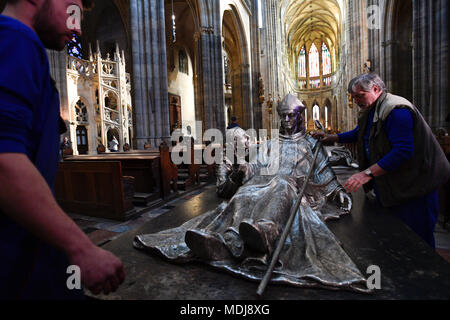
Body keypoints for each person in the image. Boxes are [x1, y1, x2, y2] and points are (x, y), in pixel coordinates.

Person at [134, 94, 370, 292]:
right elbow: (256, 167)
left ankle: (264, 231)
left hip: (292, 191)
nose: (286, 120)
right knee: (244, 195)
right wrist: (245, 170)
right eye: (283, 116)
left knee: (282, 185)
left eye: (291, 116)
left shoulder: (311, 145)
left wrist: (337, 190)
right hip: (260, 187)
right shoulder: (269, 144)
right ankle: (223, 242)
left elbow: (324, 175)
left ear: (300, 117)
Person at [0, 0, 125, 299]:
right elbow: (3, 163)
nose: (78, 26)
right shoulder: (15, 39)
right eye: (73, 8)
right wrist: (80, 247)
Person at [313, 73, 450, 248]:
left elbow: (403, 151)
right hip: (398, 185)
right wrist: (330, 137)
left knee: (418, 240)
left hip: (417, 186)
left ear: (376, 89)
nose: (356, 101)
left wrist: (367, 173)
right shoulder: (371, 110)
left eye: (360, 96)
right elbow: (358, 134)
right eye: (353, 97)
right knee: (398, 236)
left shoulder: (396, 110)